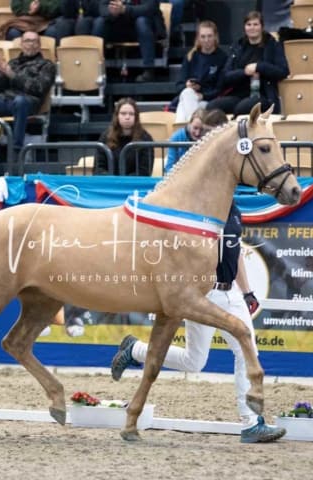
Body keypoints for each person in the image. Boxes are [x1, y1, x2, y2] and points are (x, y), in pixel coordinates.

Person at [109, 201, 282, 443]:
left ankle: (251, 423)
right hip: (204, 294)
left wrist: (247, 291)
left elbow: (236, 252)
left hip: (231, 293)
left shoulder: (234, 210)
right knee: (195, 361)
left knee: (247, 350)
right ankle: (136, 350)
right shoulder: (200, 210)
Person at [0, 30, 56, 150]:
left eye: (34, 41)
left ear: (39, 45)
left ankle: (16, 148)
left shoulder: (46, 65)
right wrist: (2, 74)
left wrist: (13, 75)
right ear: (21, 44)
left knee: (20, 101)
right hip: (5, 100)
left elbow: (38, 88)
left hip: (28, 102)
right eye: (27, 41)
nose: (30, 44)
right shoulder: (13, 63)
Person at [206, 11, 288, 117]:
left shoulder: (272, 45)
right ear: (244, 27)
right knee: (211, 107)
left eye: (255, 24)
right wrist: (245, 72)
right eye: (249, 25)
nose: (252, 28)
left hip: (263, 95)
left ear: (262, 27)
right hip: (238, 94)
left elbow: (283, 71)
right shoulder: (238, 46)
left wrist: (259, 67)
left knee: (242, 108)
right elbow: (225, 76)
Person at [92, 0, 167, 82]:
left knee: (142, 21)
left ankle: (148, 70)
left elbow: (149, 8)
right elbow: (102, 8)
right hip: (117, 28)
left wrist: (124, 9)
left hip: (140, 29)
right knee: (100, 22)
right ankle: (96, 70)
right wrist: (112, 12)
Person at [170, 20, 228, 123]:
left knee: (183, 108)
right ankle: (194, 128)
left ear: (215, 36)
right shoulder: (191, 56)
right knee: (187, 93)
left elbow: (220, 88)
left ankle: (187, 131)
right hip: (189, 96)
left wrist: (203, 95)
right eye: (203, 36)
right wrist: (187, 85)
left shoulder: (222, 58)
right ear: (198, 38)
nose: (206, 40)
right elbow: (179, 85)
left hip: (208, 102)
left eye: (209, 36)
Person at [94, 97, 154, 175]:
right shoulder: (105, 137)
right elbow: (99, 168)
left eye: (131, 114)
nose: (127, 117)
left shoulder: (145, 138)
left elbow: (145, 171)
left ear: (136, 117)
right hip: (110, 184)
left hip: (133, 185)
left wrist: (124, 181)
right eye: (123, 113)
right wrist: (114, 181)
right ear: (117, 116)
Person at [0, 0, 73, 43]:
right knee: (13, 33)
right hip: (25, 20)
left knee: (52, 32)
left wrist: (40, 7)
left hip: (48, 20)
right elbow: (16, 8)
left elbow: (58, 7)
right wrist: (29, 10)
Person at [164, 107, 205, 172]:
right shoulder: (177, 137)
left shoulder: (209, 138)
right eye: (195, 128)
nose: (197, 133)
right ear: (189, 124)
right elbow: (169, 167)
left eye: (202, 130)